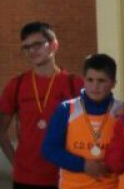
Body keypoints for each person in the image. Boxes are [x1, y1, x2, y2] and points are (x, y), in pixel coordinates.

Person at [0, 21, 84, 189]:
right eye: (26, 47)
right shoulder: (16, 85)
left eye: (37, 45)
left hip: (65, 175)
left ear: (54, 45)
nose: (32, 51)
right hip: (26, 178)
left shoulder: (74, 84)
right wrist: (15, 161)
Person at [42, 53, 124, 189]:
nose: (95, 86)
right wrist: (83, 165)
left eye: (101, 80)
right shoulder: (66, 109)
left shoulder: (123, 111)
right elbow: (49, 149)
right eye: (90, 80)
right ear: (83, 80)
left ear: (113, 83)